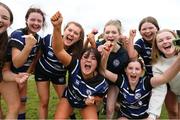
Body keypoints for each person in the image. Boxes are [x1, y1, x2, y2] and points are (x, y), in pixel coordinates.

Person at [51, 11, 109, 119]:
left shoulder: (101, 82)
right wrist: (57, 27)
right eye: (85, 57)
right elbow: (59, 51)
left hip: (85, 103)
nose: (88, 61)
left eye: (93, 59)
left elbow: (100, 97)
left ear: (97, 64)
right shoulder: (75, 65)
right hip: (69, 98)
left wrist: (93, 99)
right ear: (80, 59)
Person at [100, 43, 180, 119]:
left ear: (142, 71)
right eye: (130, 68)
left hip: (144, 116)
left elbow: (164, 77)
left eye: (137, 69)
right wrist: (106, 55)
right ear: (125, 70)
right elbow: (103, 71)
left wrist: (178, 60)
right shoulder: (121, 80)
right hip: (125, 116)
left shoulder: (147, 82)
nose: (133, 72)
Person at [34, 12, 84, 120]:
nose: (71, 34)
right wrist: (30, 69)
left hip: (59, 75)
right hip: (42, 72)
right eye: (69, 30)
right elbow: (38, 54)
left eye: (75, 33)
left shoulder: (76, 53)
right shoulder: (48, 39)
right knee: (44, 102)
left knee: (65, 100)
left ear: (79, 38)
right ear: (64, 30)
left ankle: (72, 116)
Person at [8, 6, 45, 119]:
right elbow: (16, 63)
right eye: (32, 19)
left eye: (39, 20)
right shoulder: (18, 35)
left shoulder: (39, 39)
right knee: (13, 105)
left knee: (22, 102)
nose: (36, 23)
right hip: (7, 74)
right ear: (26, 20)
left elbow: (34, 60)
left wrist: (26, 76)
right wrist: (28, 46)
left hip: (23, 75)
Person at [0, 2, 29, 119]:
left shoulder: (7, 43)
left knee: (15, 106)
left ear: (10, 23)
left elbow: (5, 70)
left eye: (4, 18)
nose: (0, 19)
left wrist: (15, 77)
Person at [96, 20, 129, 119]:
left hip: (113, 82)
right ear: (104, 34)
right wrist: (103, 54)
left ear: (119, 35)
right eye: (107, 32)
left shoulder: (123, 53)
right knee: (96, 105)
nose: (110, 35)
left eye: (114, 32)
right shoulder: (98, 47)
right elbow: (98, 69)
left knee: (110, 109)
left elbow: (120, 76)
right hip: (99, 80)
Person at [151, 29, 180, 119]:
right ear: (157, 46)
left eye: (168, 38)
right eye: (160, 40)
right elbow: (159, 89)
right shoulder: (157, 65)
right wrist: (152, 115)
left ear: (176, 40)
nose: (165, 42)